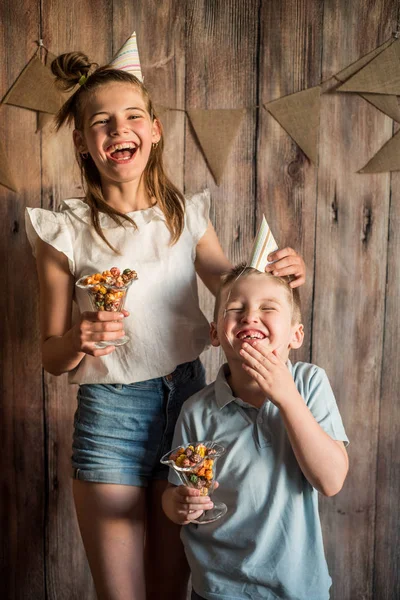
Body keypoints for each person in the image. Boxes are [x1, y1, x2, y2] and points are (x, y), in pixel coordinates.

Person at [25, 51, 306, 600]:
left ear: (154, 130)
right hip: (109, 416)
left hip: (190, 405)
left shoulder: (185, 215)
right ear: (83, 141)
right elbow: (50, 357)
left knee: (171, 586)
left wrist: (282, 271)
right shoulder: (64, 231)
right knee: (122, 593)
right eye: (101, 121)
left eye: (132, 116)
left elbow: (235, 285)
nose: (118, 129)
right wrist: (78, 339)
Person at [162, 264, 349, 600]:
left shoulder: (309, 384)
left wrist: (287, 397)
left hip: (297, 587)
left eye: (268, 308)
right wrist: (175, 505)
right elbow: (177, 492)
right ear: (216, 333)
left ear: (295, 334)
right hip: (218, 589)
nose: (250, 316)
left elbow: (331, 481)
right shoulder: (195, 410)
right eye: (235, 309)